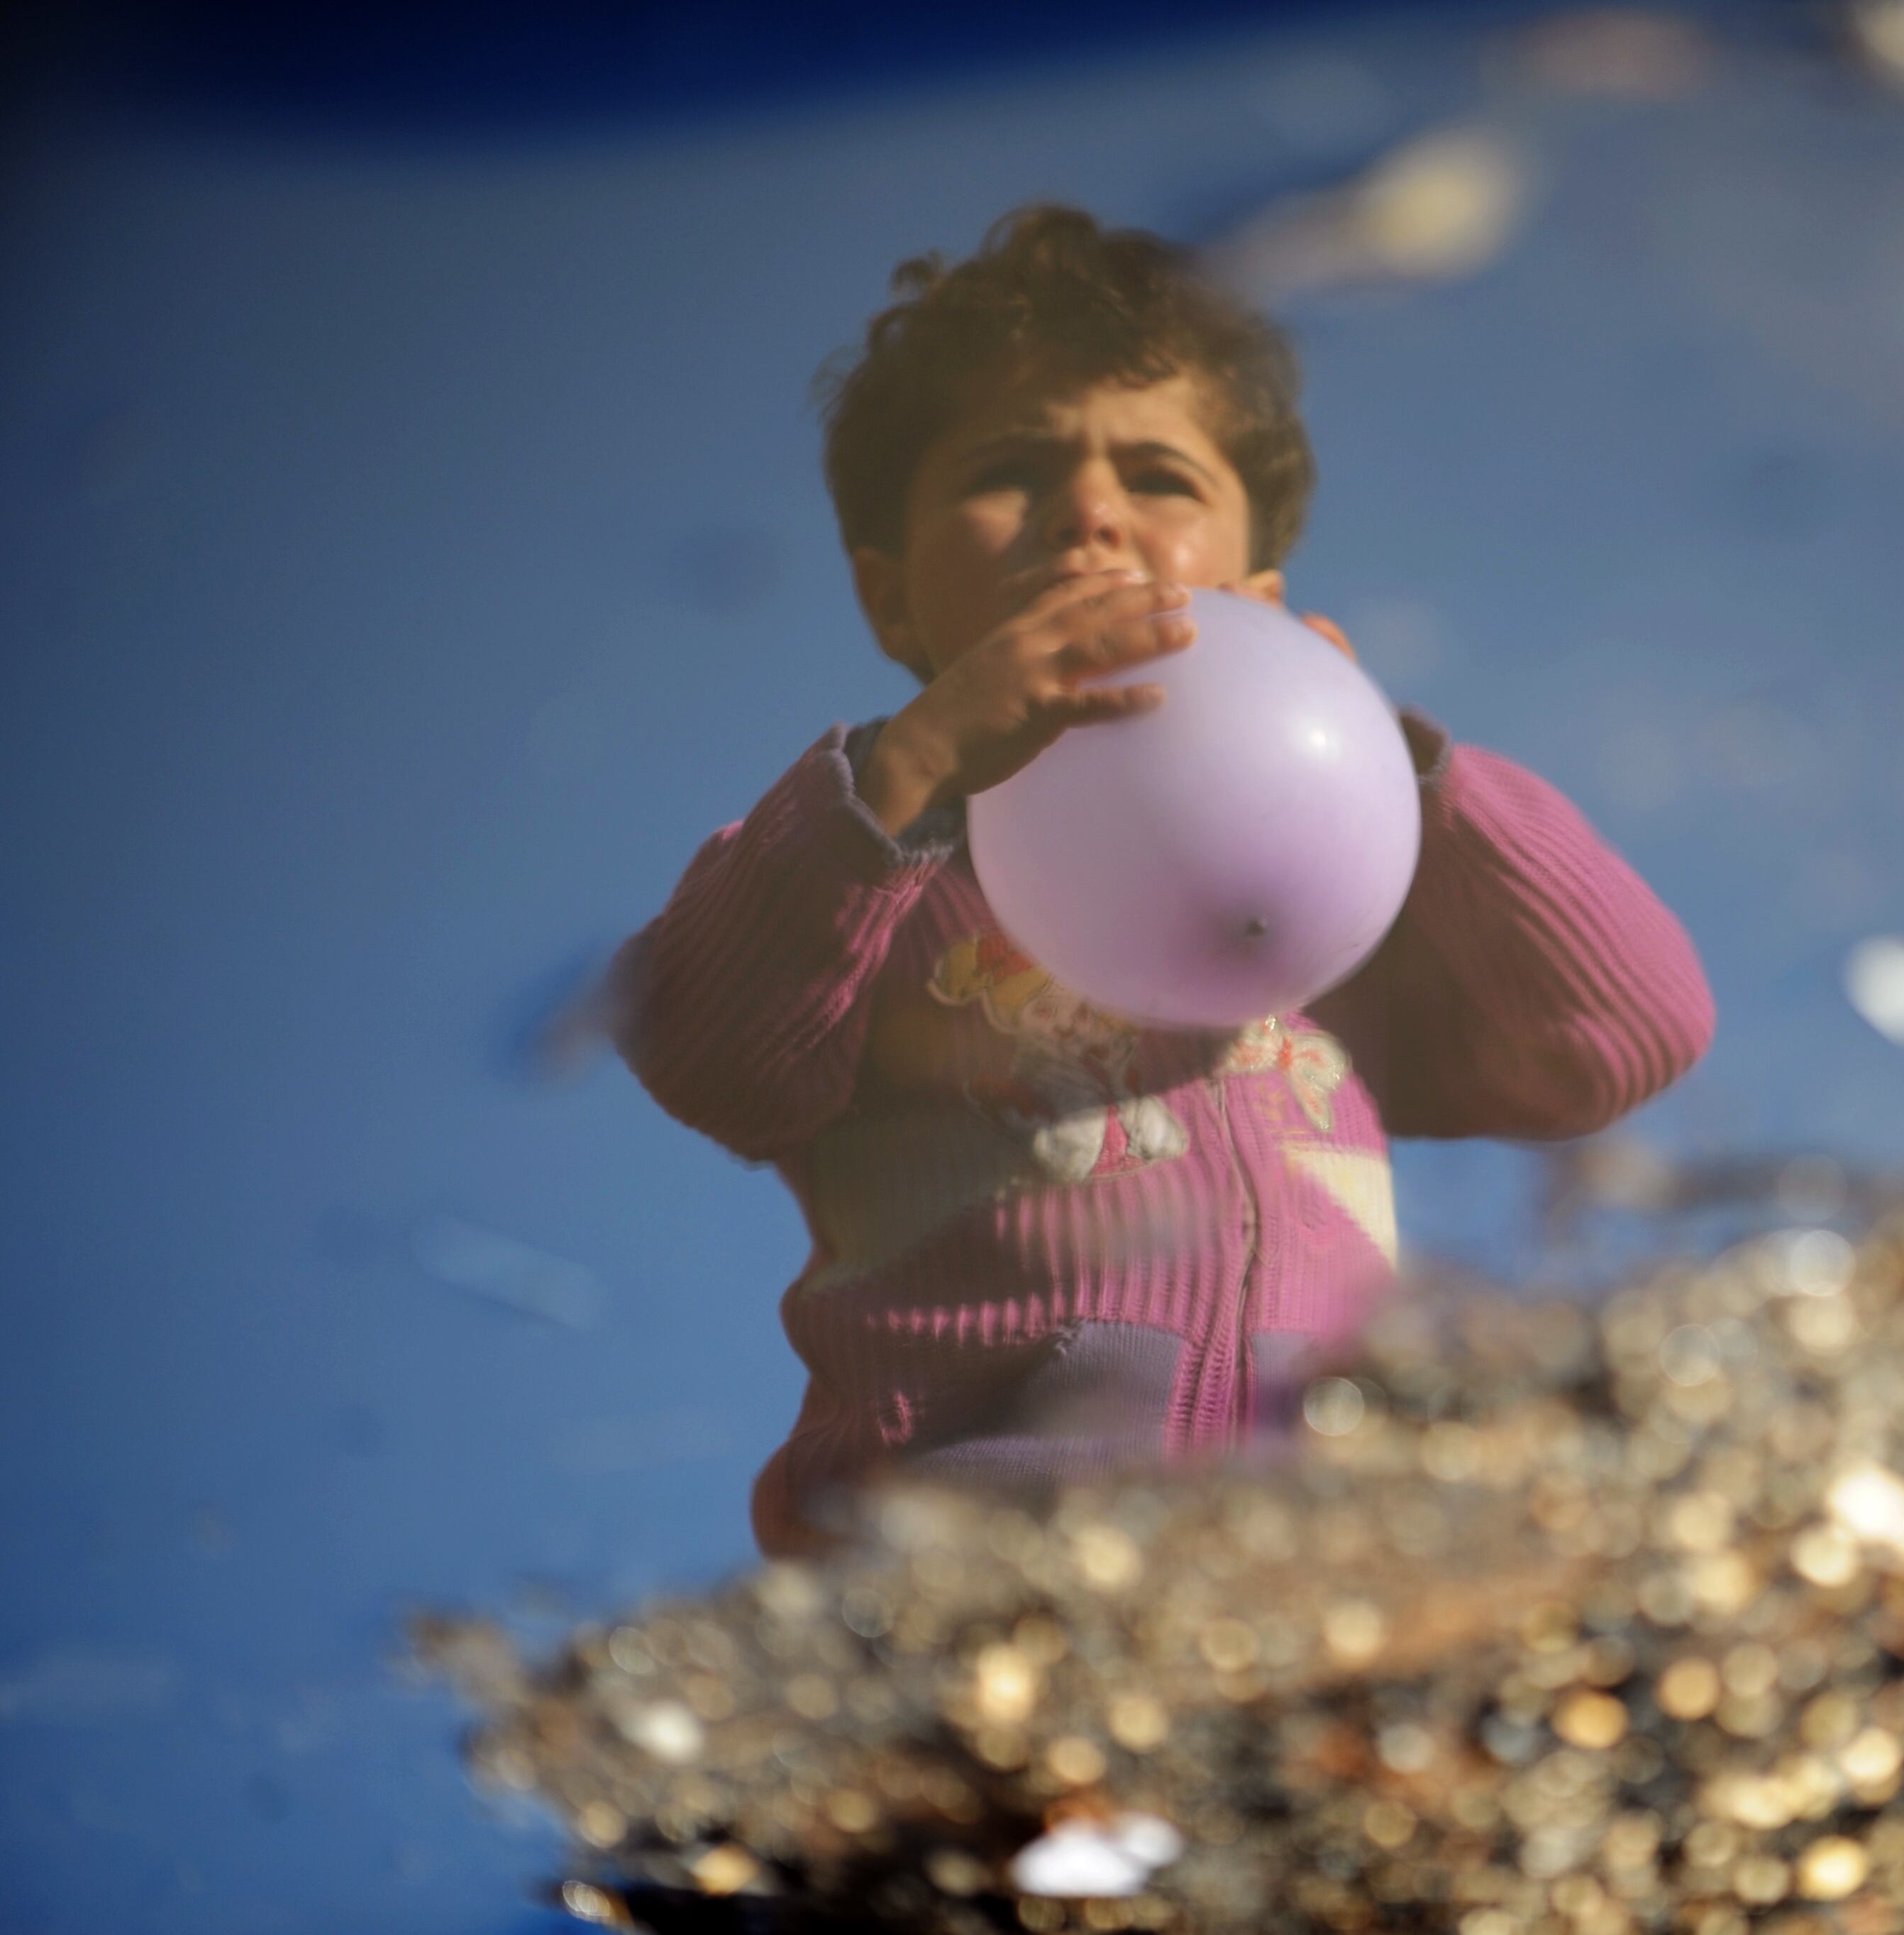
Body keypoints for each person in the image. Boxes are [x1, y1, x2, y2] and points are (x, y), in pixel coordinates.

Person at [614, 204, 1713, 1558]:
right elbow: (706, 1051)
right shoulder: (863, 874)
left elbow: (1624, 1041)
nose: (1091, 512)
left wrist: (1402, 770)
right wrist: (908, 771)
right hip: (983, 1566)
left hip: (1311, 1567)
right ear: (892, 600)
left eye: (1159, 477)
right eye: (1011, 470)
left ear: (1258, 591)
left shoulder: (1338, 900)